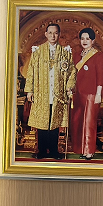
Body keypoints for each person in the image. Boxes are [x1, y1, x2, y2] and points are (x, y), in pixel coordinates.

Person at [25, 23, 75, 159]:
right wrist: (29, 91)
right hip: (41, 92)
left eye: (56, 33)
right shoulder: (38, 52)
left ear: (59, 35)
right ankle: (41, 151)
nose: (53, 36)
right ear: (46, 34)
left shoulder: (65, 52)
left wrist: (69, 87)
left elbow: (72, 71)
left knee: (55, 123)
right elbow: (31, 71)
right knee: (42, 123)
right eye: (50, 33)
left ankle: (54, 151)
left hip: (58, 94)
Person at [69, 28, 103, 160]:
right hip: (78, 93)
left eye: (87, 39)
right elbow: (73, 75)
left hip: (91, 94)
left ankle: (89, 151)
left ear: (93, 41)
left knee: (89, 122)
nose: (84, 41)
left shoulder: (99, 56)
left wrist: (98, 93)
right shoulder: (76, 55)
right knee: (78, 122)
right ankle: (80, 149)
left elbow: (100, 76)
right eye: (82, 38)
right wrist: (70, 88)